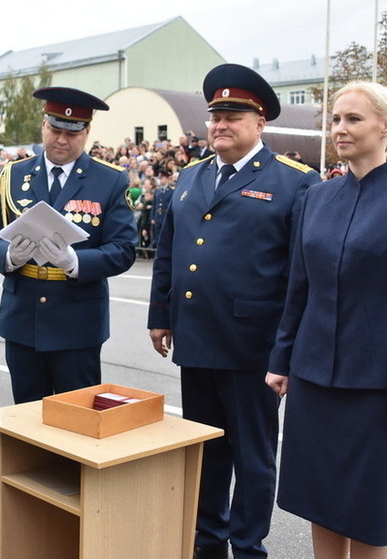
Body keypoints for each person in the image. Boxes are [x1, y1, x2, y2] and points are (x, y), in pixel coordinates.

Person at [147, 63, 320, 559]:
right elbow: (169, 251)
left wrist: (286, 350)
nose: (221, 124)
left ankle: (248, 547)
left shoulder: (294, 183)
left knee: (253, 456)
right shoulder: (189, 177)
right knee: (206, 449)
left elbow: (298, 274)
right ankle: (208, 542)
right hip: (197, 338)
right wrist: (160, 315)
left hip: (254, 347)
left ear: (260, 122)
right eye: (215, 115)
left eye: (234, 116)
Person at [0, 86, 137, 539]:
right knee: (26, 416)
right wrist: (8, 257)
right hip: (23, 315)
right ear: (43, 126)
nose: (61, 139)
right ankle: (23, 506)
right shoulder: (14, 176)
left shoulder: (109, 181)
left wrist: (76, 263)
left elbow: (124, 249)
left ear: (86, 132)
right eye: (54, 128)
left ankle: (77, 508)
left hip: (76, 320)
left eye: (72, 131)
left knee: (78, 419)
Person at [266, 82, 387, 559]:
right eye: (335, 119)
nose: (340, 129)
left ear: (384, 125)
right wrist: (282, 359)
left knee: (369, 510)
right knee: (320, 501)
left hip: (375, 384)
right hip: (314, 377)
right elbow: (299, 286)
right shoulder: (319, 197)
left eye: (353, 119)